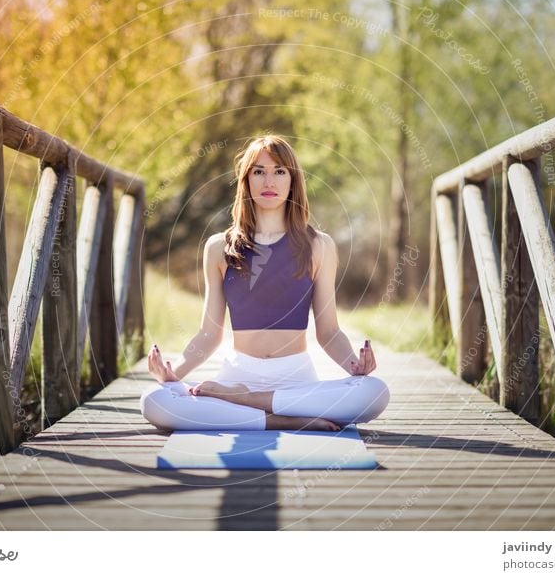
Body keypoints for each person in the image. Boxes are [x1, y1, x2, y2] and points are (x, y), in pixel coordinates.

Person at [140, 134, 389, 432]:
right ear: (246, 181)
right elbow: (209, 334)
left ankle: (249, 404)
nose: (268, 181)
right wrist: (174, 373)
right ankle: (277, 419)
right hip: (236, 375)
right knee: (154, 400)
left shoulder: (319, 246)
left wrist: (354, 366)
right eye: (259, 172)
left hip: (295, 379)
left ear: (292, 181)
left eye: (279, 171)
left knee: (375, 392)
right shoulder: (219, 247)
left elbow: (329, 331)